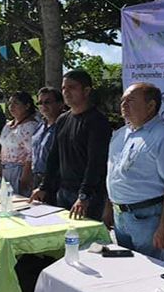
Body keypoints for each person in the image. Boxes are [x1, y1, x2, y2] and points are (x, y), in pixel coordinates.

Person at [103, 83, 164, 261]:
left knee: (152, 272)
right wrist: (108, 207)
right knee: (126, 269)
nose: (123, 104)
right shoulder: (119, 134)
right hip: (120, 216)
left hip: (148, 218)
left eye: (130, 100)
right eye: (123, 100)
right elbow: (113, 174)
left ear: (150, 106)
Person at [30, 70, 112, 220]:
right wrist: (44, 187)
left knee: (84, 240)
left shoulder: (97, 121)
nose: (66, 92)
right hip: (63, 192)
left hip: (87, 198)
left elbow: (96, 163)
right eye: (63, 88)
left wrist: (84, 196)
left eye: (71, 87)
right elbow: (54, 157)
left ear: (86, 91)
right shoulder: (62, 119)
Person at [0, 91, 39, 196]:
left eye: (16, 103)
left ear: (27, 106)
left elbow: (31, 154)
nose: (11, 106)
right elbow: (3, 148)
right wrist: (0, 169)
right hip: (6, 168)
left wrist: (25, 177)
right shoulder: (8, 125)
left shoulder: (30, 126)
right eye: (10, 103)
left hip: (20, 170)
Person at [31, 87, 64, 193]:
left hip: (56, 180)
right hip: (37, 177)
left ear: (60, 104)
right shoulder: (40, 125)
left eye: (47, 102)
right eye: (40, 103)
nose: (43, 106)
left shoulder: (63, 126)